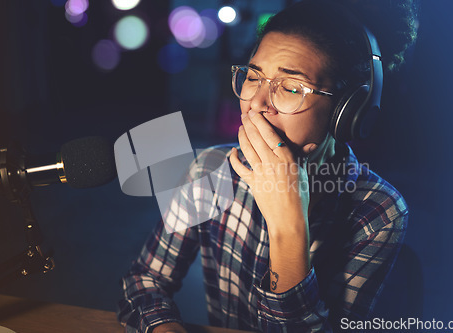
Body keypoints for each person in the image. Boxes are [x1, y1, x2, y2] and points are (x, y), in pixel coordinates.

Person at [117, 0, 418, 332]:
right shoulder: (209, 170)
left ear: (347, 111)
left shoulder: (380, 212)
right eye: (253, 76)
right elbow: (144, 281)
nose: (255, 105)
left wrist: (289, 228)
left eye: (290, 87)